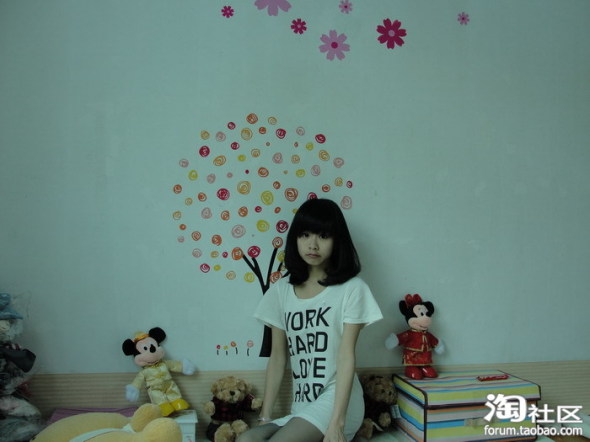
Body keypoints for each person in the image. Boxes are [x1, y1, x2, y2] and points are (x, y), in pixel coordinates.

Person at [237, 198, 383, 442]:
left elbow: (346, 356)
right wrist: (265, 416)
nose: (312, 245)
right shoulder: (281, 290)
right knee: (247, 440)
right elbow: (278, 357)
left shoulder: (352, 289)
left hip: (338, 401)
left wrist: (337, 424)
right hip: (303, 406)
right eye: (305, 235)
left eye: (323, 236)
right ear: (295, 238)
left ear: (337, 240)